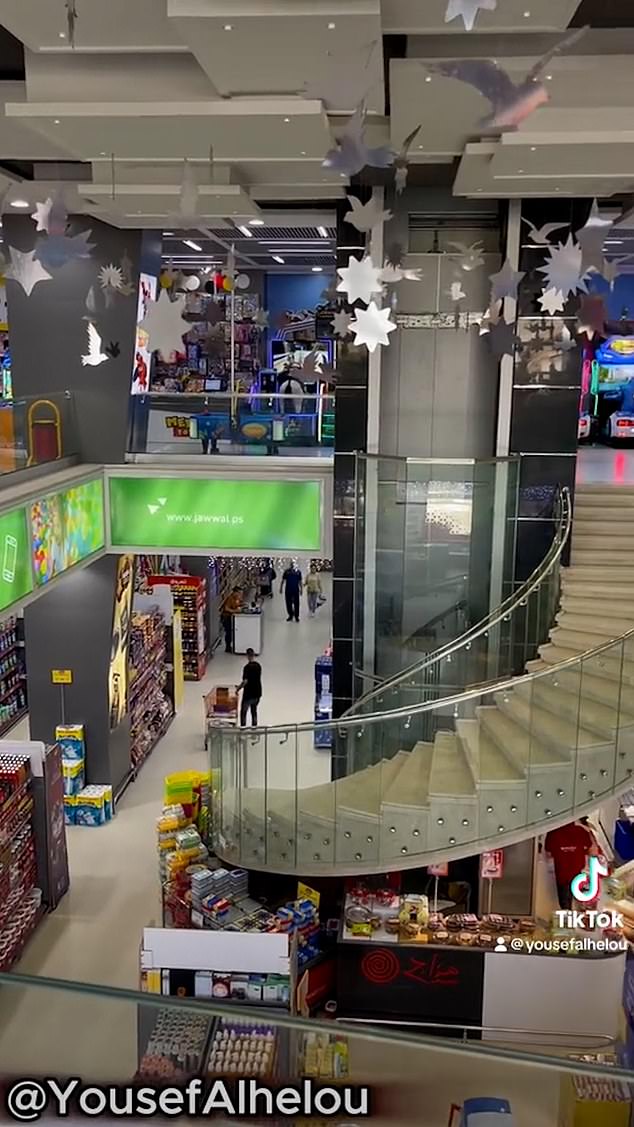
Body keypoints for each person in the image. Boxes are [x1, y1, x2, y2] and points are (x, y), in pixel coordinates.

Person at [544, 818, 596, 910]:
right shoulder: (581, 831)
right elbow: (592, 851)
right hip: (578, 873)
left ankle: (567, 917)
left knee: (565, 904)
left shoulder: (553, 833)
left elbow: (548, 853)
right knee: (580, 904)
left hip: (562, 873)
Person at [238, 648, 262, 727]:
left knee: (243, 713)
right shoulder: (258, 666)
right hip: (257, 693)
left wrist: (238, 689)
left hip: (248, 694)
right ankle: (254, 728)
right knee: (254, 710)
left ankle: (243, 729)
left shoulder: (247, 668)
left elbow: (245, 681)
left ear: (247, 656)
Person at [221, 587, 242, 653]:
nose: (240, 595)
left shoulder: (237, 598)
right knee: (229, 632)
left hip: (232, 617)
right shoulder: (230, 598)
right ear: (235, 592)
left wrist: (243, 605)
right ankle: (227, 647)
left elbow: (238, 604)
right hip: (227, 617)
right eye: (239, 593)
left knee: (232, 632)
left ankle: (233, 645)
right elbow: (226, 608)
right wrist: (235, 610)